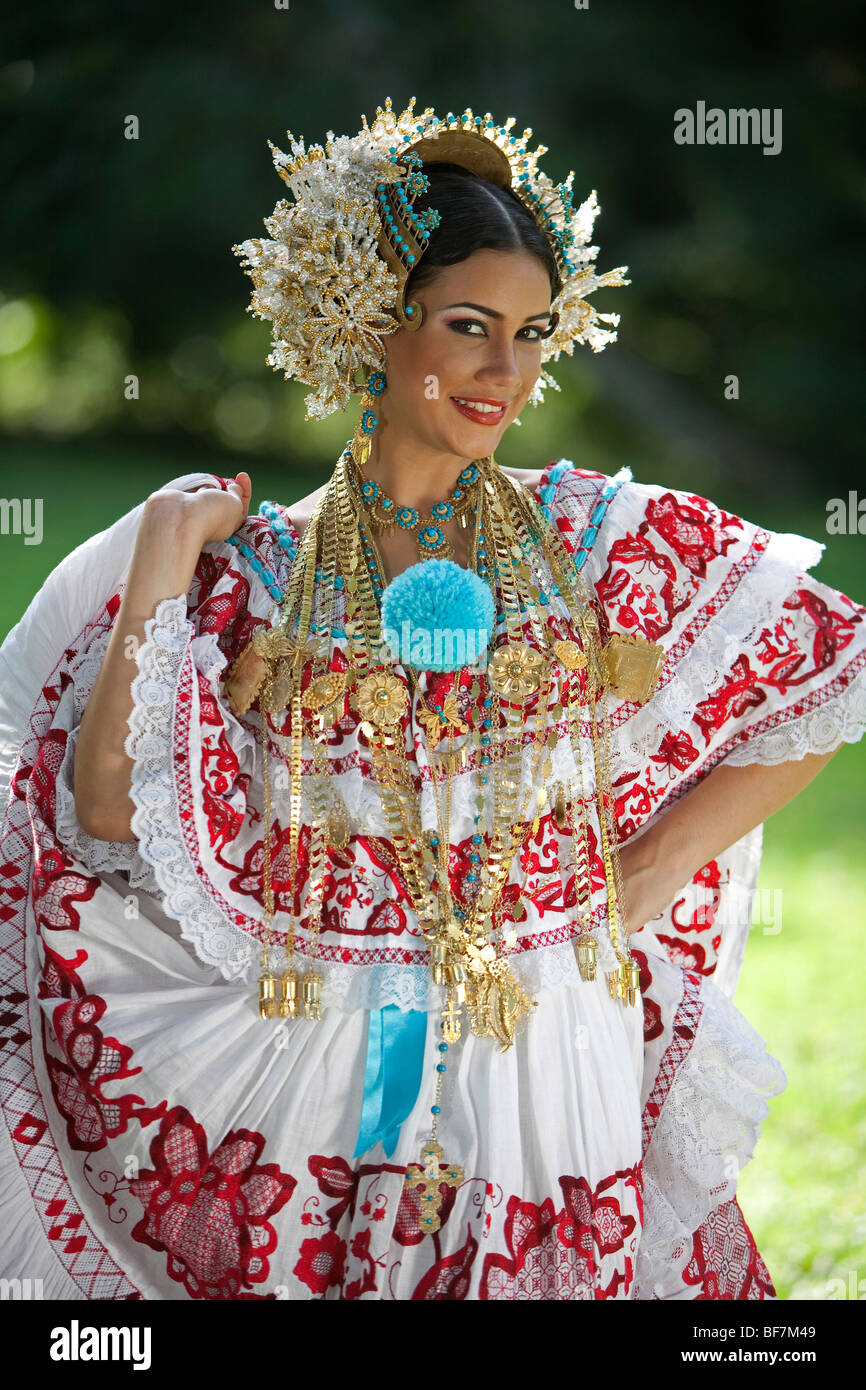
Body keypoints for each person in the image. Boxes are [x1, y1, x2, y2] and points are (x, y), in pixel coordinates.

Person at [1, 99, 864, 1302]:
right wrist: (162, 543)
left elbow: (823, 666)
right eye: (468, 326)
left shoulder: (589, 536)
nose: (504, 372)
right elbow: (104, 805)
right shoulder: (250, 572)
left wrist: (657, 864)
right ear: (366, 318)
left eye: (529, 332)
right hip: (313, 1057)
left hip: (544, 1034)